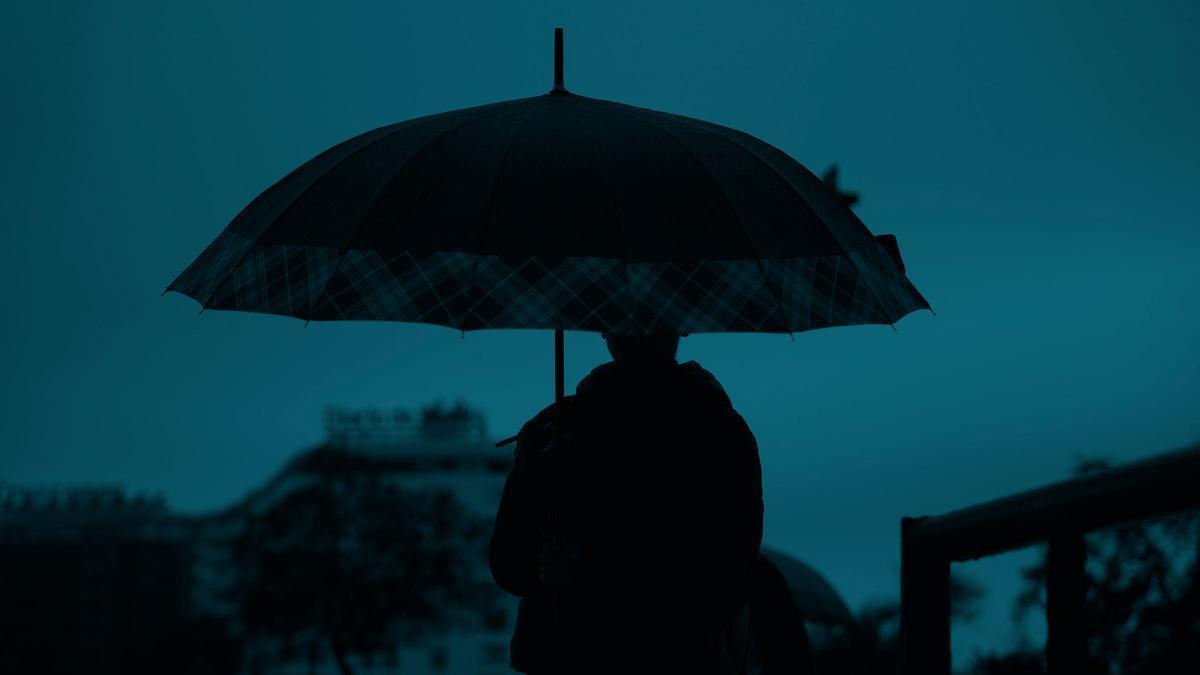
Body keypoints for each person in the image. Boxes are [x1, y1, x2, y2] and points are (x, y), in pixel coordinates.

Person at [490, 333, 764, 674]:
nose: (634, 327)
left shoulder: (717, 432)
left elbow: (723, 581)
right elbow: (511, 568)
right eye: (618, 316)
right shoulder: (560, 426)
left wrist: (591, 573)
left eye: (651, 315)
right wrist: (529, 479)